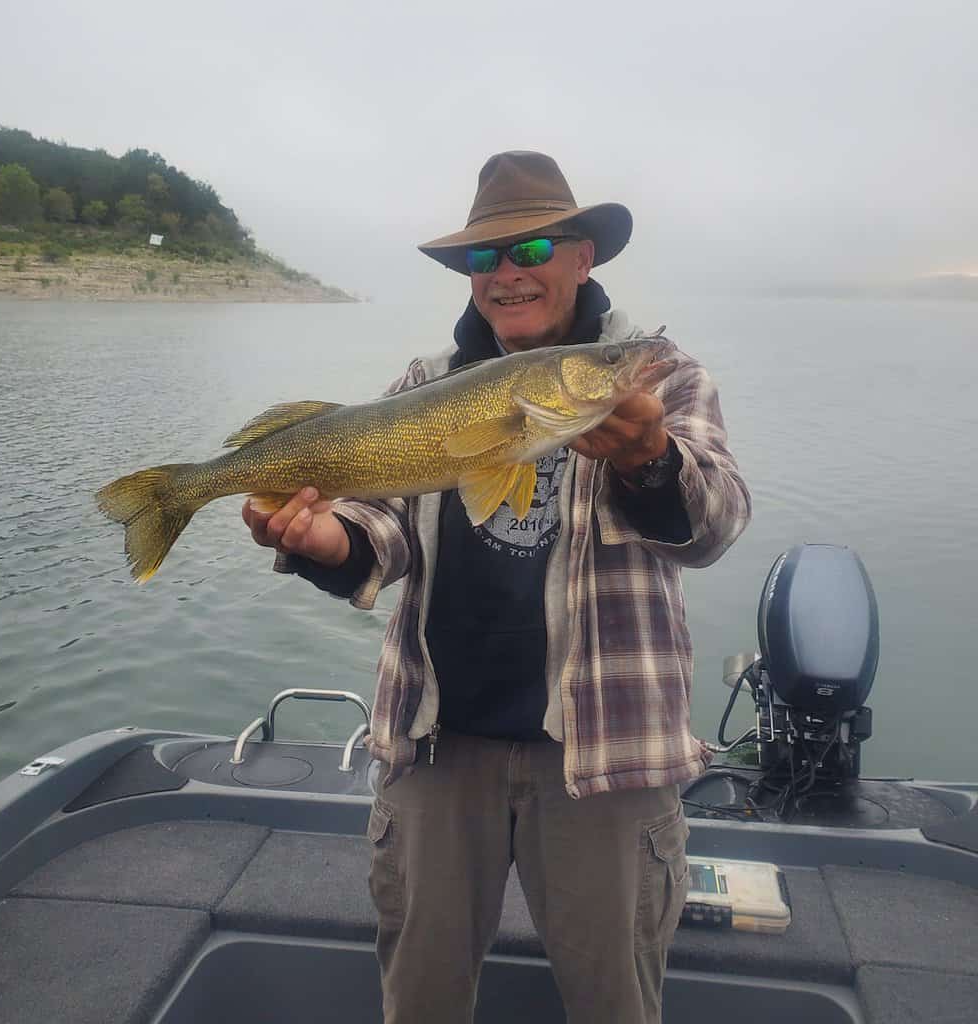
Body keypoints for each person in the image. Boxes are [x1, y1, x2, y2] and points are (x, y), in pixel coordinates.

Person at [242, 151, 751, 1023]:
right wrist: (327, 542)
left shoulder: (656, 375)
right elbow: (384, 528)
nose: (507, 274)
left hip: (606, 757)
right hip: (438, 748)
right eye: (485, 259)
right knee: (422, 998)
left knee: (614, 1001)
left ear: (583, 256)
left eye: (534, 249)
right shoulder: (426, 385)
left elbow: (715, 524)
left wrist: (651, 460)